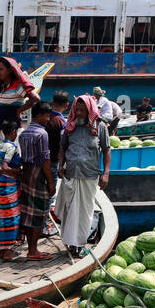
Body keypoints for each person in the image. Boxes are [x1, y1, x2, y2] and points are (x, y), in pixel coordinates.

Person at [53, 94, 111, 260]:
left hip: (89, 175)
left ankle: (78, 244)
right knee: (70, 209)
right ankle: (70, 243)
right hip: (70, 174)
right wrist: (61, 165)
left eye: (82, 109)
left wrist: (105, 173)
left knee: (84, 212)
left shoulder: (100, 127)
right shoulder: (70, 126)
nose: (78, 112)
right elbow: (62, 148)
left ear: (89, 109)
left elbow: (106, 150)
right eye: (76, 109)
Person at [18, 105, 56, 255]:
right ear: (39, 115)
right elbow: (45, 160)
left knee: (28, 213)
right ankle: (33, 250)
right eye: (47, 116)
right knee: (39, 212)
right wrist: (51, 183)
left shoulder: (23, 133)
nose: (48, 120)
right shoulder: (42, 134)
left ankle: (31, 248)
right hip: (38, 174)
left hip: (26, 173)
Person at [0, 56, 39, 153]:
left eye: (1, 69)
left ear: (10, 70)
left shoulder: (18, 86)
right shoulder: (2, 87)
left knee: (9, 163)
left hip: (11, 135)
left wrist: (19, 111)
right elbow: (4, 109)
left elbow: (35, 98)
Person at [0, 119, 23, 260]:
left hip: (1, 184)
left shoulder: (0, 146)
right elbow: (5, 167)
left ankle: (3, 249)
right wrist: (17, 172)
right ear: (13, 132)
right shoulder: (11, 147)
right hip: (10, 185)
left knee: (4, 217)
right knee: (12, 216)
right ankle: (8, 251)